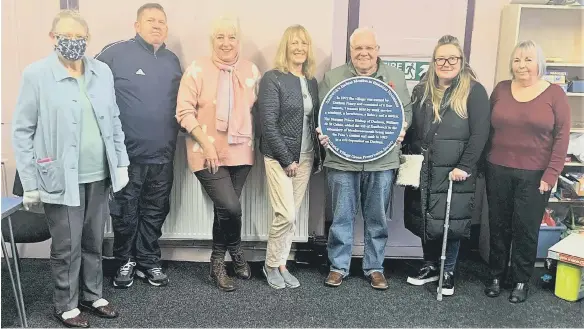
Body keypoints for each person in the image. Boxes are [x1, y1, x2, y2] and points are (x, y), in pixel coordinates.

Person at [12, 10, 129, 328]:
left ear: (88, 40)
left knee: (93, 238)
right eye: (66, 36)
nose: (73, 43)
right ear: (53, 38)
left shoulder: (102, 71)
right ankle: (64, 303)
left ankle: (92, 294)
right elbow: (22, 130)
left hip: (98, 173)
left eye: (80, 37)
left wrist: (120, 161)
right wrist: (31, 181)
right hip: (60, 176)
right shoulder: (36, 75)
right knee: (66, 244)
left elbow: (114, 120)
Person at [95, 2, 182, 288]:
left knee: (156, 210)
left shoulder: (172, 60)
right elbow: (91, 93)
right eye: (150, 21)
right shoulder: (114, 54)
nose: (157, 26)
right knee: (124, 211)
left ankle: (148, 260)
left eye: (161, 22)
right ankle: (124, 261)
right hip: (125, 157)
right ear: (136, 25)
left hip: (163, 156)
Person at [316, 27, 411, 290]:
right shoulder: (333, 77)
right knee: (341, 217)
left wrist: (402, 129)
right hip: (341, 161)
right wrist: (323, 134)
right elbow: (325, 117)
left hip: (382, 161)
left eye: (369, 48)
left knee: (377, 217)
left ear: (377, 50)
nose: (364, 53)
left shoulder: (395, 77)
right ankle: (338, 266)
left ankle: (375, 267)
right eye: (358, 48)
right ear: (351, 51)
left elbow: (406, 112)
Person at [176, 16, 260, 292]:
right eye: (220, 37)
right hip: (206, 152)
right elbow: (184, 112)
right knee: (231, 207)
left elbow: (261, 111)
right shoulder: (197, 69)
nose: (226, 43)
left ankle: (221, 262)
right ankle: (229, 254)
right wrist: (207, 143)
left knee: (225, 210)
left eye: (231, 37)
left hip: (242, 152)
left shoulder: (251, 71)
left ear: (239, 40)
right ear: (212, 41)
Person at [402, 35, 490, 296]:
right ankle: (430, 266)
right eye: (441, 58)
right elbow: (413, 128)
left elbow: (480, 133)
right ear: (434, 61)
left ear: (461, 61)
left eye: (452, 58)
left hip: (455, 170)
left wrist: (466, 165)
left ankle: (448, 270)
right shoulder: (421, 90)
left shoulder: (474, 91)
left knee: (451, 221)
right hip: (425, 167)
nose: (446, 63)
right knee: (425, 217)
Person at [484, 40, 571, 303]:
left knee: (525, 228)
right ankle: (496, 275)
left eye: (528, 59)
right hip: (497, 168)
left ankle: (521, 279)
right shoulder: (500, 89)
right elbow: (488, 129)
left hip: (535, 175)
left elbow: (562, 136)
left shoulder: (555, 94)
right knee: (498, 226)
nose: (522, 65)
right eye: (517, 60)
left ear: (539, 64)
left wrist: (551, 174)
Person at [258, 25, 323, 289]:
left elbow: (313, 121)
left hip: (306, 156)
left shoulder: (311, 81)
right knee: (284, 214)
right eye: (294, 43)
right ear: (286, 47)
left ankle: (282, 263)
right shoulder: (273, 78)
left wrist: (320, 147)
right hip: (279, 157)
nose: (299, 48)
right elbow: (268, 124)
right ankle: (270, 265)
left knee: (292, 215)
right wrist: (287, 159)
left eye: (304, 43)